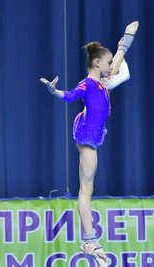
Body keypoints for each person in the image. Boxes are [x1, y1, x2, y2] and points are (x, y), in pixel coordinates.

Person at [40, 21, 139, 254]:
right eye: (107, 63)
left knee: (119, 74)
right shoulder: (87, 84)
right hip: (86, 137)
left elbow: (119, 67)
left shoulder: (104, 81)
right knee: (86, 189)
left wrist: (127, 37)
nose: (110, 66)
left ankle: (89, 238)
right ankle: (89, 239)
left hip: (93, 134)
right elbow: (69, 96)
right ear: (97, 63)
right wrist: (53, 90)